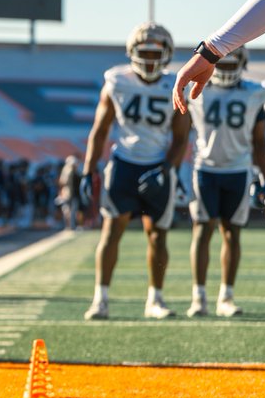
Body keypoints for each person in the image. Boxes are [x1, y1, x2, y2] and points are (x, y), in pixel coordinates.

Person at [80, 23, 190, 320]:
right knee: (111, 231)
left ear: (166, 55)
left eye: (157, 53)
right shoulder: (117, 82)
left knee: (158, 236)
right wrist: (88, 171)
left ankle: (155, 299)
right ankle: (100, 298)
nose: (151, 59)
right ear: (132, 52)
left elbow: (181, 138)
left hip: (158, 164)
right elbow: (99, 131)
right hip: (124, 164)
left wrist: (167, 169)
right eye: (145, 52)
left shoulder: (175, 84)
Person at [182, 46, 265, 317]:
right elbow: (181, 133)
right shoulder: (198, 89)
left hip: (239, 170)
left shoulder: (254, 93)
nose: (228, 69)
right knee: (203, 230)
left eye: (233, 65)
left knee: (232, 233)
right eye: (224, 64)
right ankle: (199, 297)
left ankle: (226, 297)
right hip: (205, 169)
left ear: (242, 64)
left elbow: (259, 142)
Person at [56, 155, 82, 230]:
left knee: (70, 210)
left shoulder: (72, 172)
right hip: (69, 194)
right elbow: (63, 183)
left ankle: (70, 226)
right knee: (68, 210)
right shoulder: (68, 171)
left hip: (70, 194)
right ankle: (70, 226)